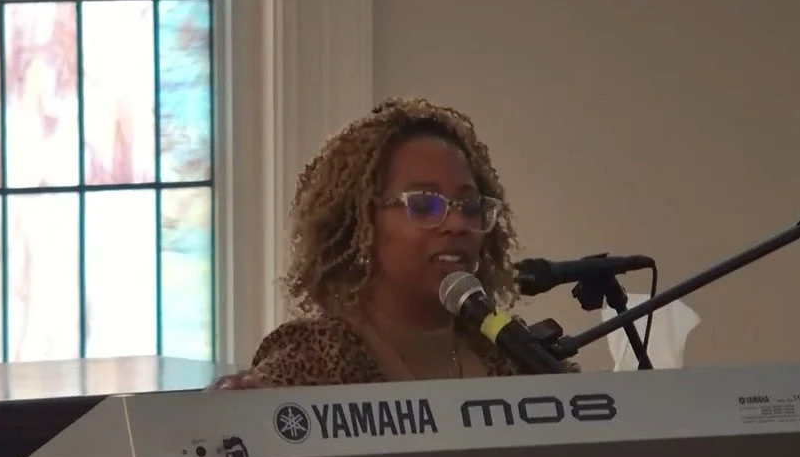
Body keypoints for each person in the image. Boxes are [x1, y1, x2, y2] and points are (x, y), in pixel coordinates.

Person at [212, 97, 576, 390]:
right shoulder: (312, 361)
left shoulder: (510, 355)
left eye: (469, 206)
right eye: (424, 204)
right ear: (360, 223)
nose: (457, 223)